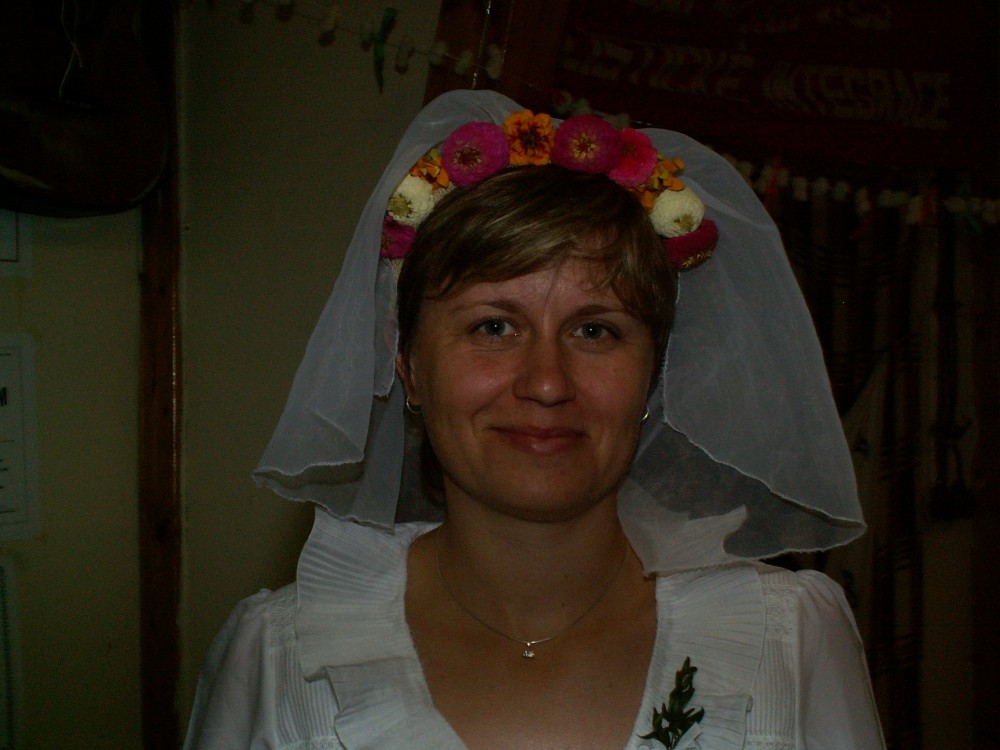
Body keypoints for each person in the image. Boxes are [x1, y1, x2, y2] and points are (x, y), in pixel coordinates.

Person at [184, 90, 885, 749]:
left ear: (654, 373)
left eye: (595, 331)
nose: (547, 383)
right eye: (492, 327)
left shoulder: (790, 642)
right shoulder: (277, 659)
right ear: (409, 367)